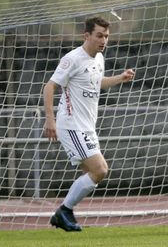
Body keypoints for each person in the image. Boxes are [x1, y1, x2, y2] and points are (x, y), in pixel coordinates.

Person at [43, 16, 135, 232]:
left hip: (87, 126)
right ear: (87, 36)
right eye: (99, 36)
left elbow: (97, 83)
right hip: (72, 124)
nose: (103, 40)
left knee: (94, 173)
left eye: (106, 36)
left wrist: (120, 78)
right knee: (100, 169)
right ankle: (64, 211)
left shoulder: (99, 59)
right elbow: (49, 87)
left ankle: (64, 212)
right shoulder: (72, 58)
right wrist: (50, 119)